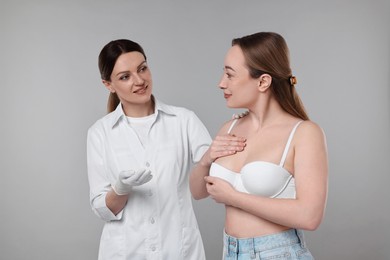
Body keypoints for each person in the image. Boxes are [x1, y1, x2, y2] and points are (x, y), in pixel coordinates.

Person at [190, 32, 328, 259]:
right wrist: (207, 159)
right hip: (231, 251)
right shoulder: (230, 128)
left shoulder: (304, 133)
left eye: (229, 75)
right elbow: (197, 192)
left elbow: (310, 216)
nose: (221, 83)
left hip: (278, 252)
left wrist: (233, 197)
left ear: (263, 81)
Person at [87, 39, 211, 260]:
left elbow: (217, 168)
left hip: (179, 250)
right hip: (126, 252)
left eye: (142, 68)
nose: (139, 80)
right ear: (108, 85)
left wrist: (237, 128)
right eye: (125, 77)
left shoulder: (183, 120)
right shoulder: (100, 133)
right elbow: (101, 208)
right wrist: (120, 188)